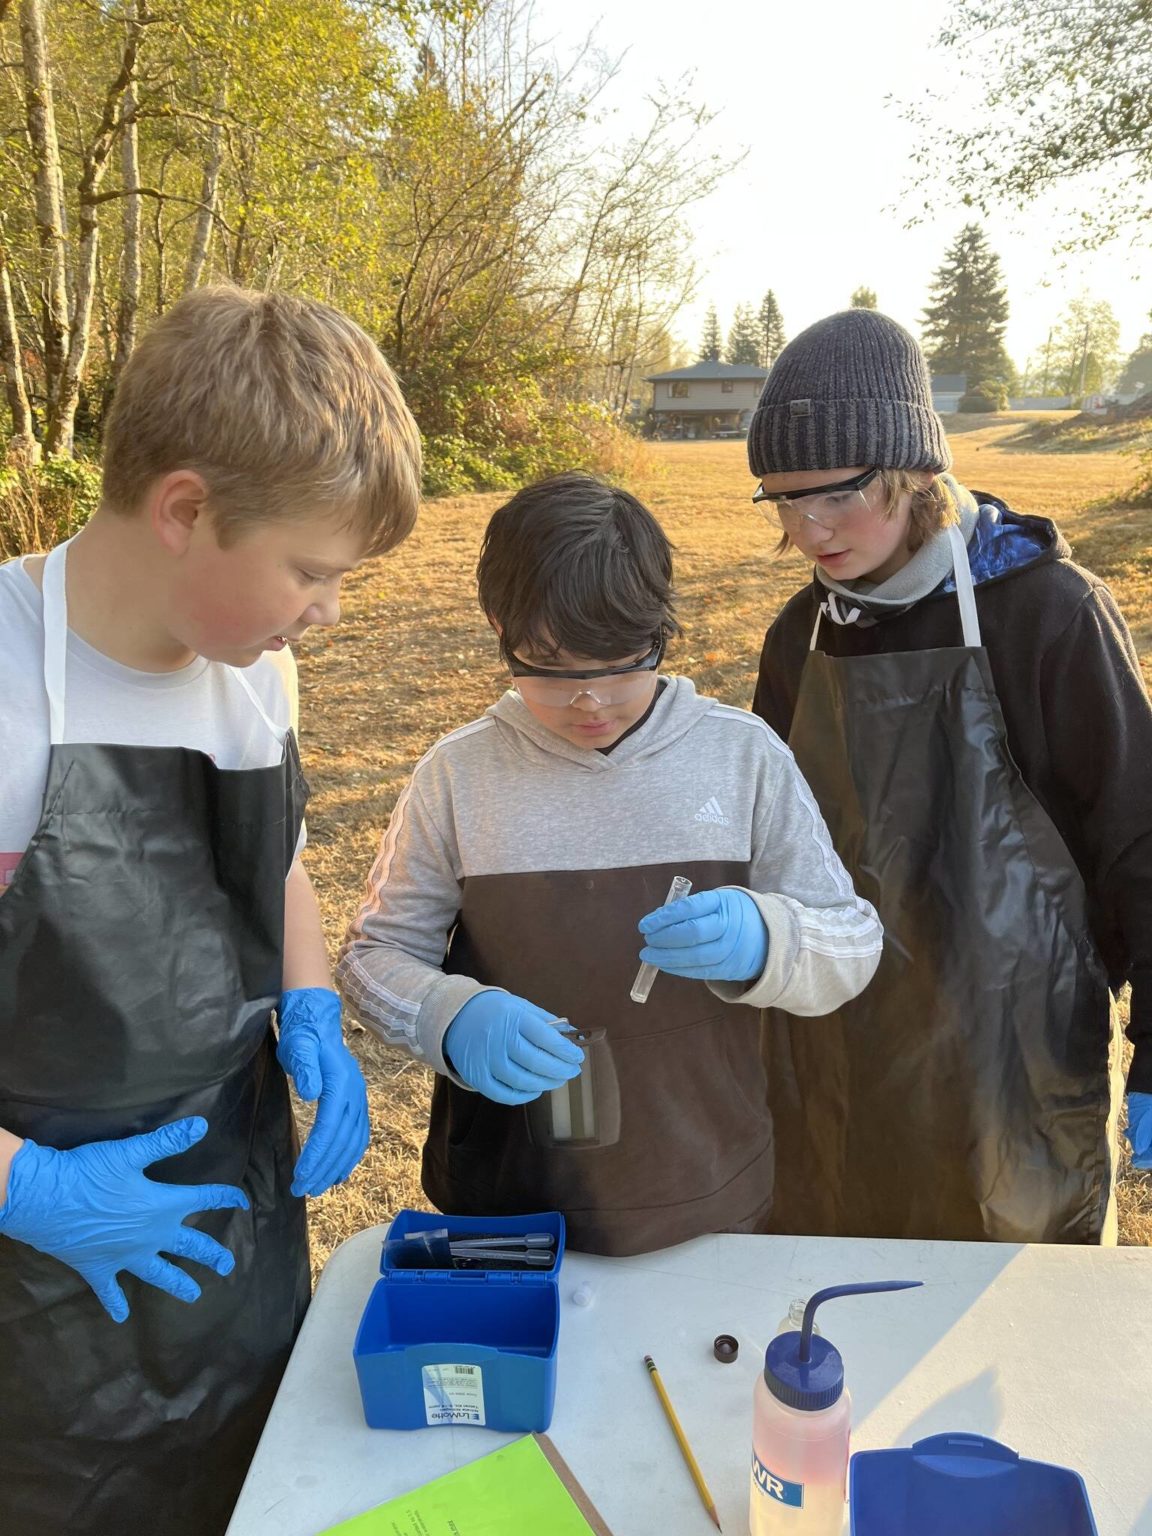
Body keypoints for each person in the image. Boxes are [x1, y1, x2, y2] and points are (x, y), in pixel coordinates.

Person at [0, 286, 422, 1535]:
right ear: (185, 509)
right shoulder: (10, 695)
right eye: (310, 570)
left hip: (234, 1229)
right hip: (39, 1300)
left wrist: (309, 1007)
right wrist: (28, 1192)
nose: (327, 614)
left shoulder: (251, 671)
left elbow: (272, 861)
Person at [337, 472, 882, 1254]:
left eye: (625, 660)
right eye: (552, 665)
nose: (591, 700)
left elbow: (853, 943)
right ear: (500, 625)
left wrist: (772, 939)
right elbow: (373, 956)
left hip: (709, 1182)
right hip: (507, 1200)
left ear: (662, 627)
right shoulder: (458, 775)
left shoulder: (741, 758)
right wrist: (448, 1016)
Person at [746, 307, 1152, 1245]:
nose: (809, 530)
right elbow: (761, 838)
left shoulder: (1048, 613)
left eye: (836, 496)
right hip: (834, 1057)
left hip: (1010, 1060)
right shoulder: (795, 639)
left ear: (913, 472)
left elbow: (1138, 835)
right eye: (781, 500)